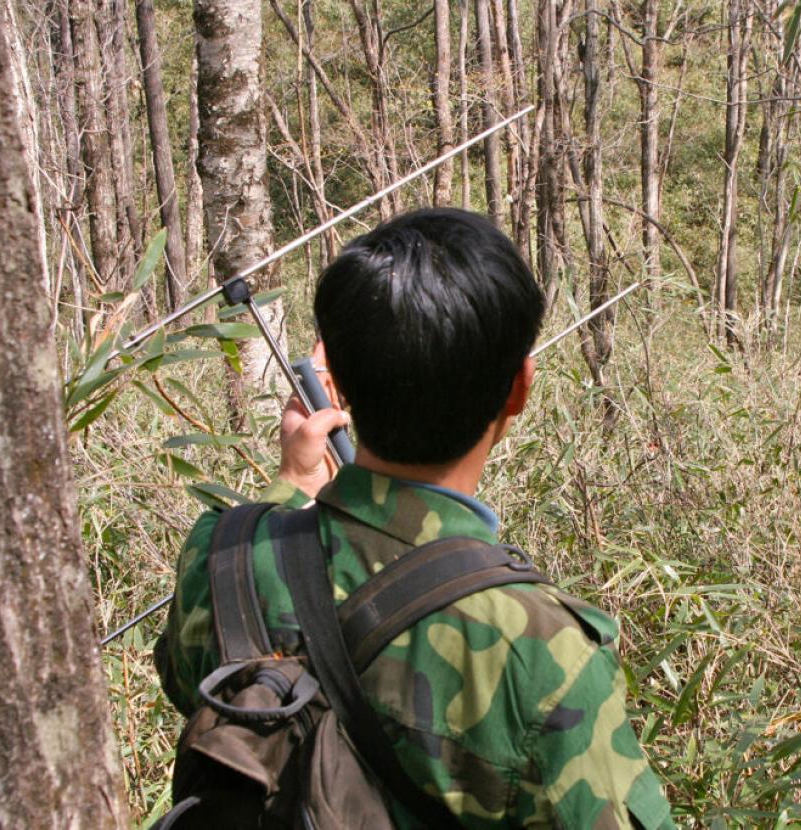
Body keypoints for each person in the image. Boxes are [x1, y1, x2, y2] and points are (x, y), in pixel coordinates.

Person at [154, 208, 675, 829]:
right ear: (520, 389)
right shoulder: (541, 651)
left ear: (338, 385)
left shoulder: (221, 554)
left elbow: (190, 684)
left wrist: (292, 485)